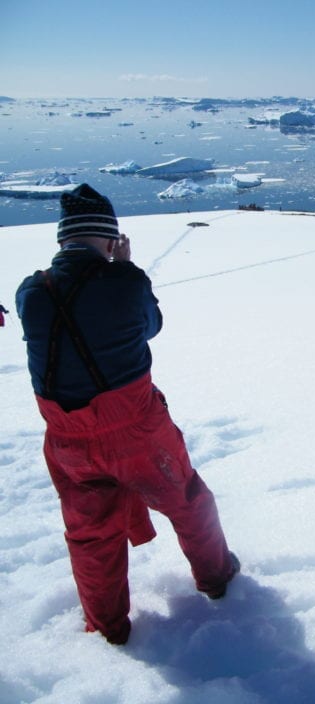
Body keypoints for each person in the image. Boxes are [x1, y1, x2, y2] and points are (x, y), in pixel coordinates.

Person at [15, 183, 239, 645]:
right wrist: (127, 267)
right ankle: (217, 578)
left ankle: (108, 625)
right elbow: (150, 324)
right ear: (111, 237)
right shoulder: (125, 280)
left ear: (63, 238)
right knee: (188, 501)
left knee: (91, 535)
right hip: (137, 431)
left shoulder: (30, 291)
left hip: (66, 440)